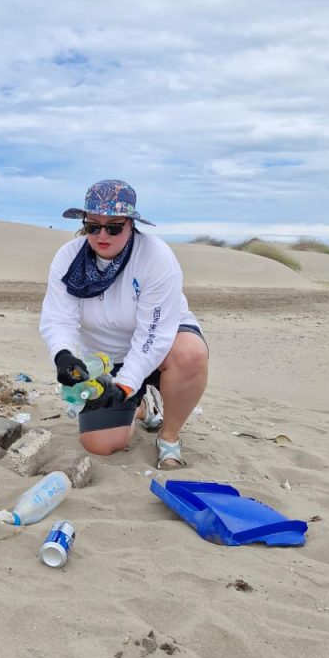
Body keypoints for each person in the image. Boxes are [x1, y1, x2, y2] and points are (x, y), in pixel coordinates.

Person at [39, 180, 208, 468]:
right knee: (101, 445)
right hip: (107, 358)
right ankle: (143, 406)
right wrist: (63, 354)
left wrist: (127, 384)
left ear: (130, 224)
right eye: (93, 226)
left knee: (190, 354)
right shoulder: (68, 258)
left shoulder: (155, 257)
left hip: (163, 344)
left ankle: (168, 436)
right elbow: (59, 317)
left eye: (114, 227)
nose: (102, 235)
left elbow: (152, 335)